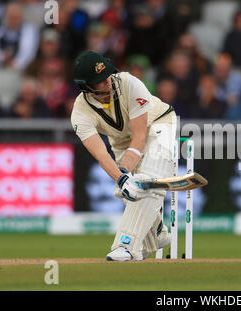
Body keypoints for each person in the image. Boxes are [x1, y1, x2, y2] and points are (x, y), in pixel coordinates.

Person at [71, 51, 176, 261]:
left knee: (146, 179)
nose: (108, 81)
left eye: (107, 75)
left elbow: (139, 137)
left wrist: (125, 175)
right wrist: (122, 179)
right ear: (86, 87)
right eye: (100, 81)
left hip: (159, 123)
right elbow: (101, 154)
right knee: (134, 191)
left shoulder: (130, 83)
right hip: (119, 143)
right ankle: (158, 233)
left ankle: (125, 246)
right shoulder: (80, 113)